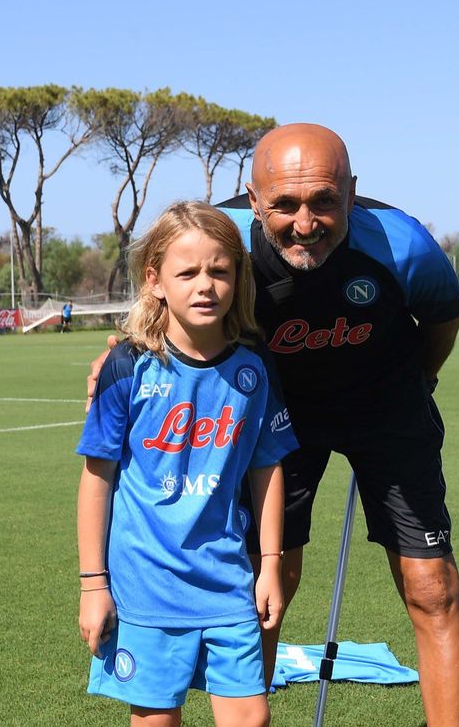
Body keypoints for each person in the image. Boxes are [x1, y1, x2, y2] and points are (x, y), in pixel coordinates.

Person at [89, 124, 459, 726]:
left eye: (325, 200)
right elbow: (168, 303)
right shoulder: (225, 240)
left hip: (388, 410)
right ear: (251, 196)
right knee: (269, 580)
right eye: (284, 205)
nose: (305, 222)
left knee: (433, 587)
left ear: (351, 191)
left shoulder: (402, 241)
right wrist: (120, 356)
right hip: (274, 418)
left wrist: (419, 384)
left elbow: (443, 318)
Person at [77, 201, 296, 726]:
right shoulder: (127, 366)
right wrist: (93, 585)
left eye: (220, 270)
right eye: (188, 272)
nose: (205, 285)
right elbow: (96, 480)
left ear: (237, 277)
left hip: (228, 579)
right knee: (156, 720)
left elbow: (267, 470)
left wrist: (270, 566)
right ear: (155, 280)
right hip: (145, 585)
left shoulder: (255, 365)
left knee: (251, 716)